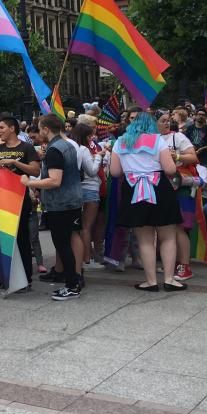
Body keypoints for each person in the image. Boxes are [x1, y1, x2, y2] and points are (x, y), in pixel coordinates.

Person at [110, 112, 184, 292]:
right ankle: (168, 279)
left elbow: (114, 172)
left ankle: (150, 281)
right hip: (159, 188)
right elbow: (170, 169)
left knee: (144, 240)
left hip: (133, 189)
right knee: (167, 237)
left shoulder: (120, 142)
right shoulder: (158, 140)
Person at [21, 115, 84, 301]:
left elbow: (55, 181)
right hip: (72, 200)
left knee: (63, 244)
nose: (39, 132)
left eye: (40, 129)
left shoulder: (55, 149)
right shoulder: (68, 145)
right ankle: (74, 280)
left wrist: (29, 182)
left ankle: (72, 285)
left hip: (61, 204)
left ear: (46, 129)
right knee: (68, 241)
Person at [0, 117, 41, 289]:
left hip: (20, 199)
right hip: (1, 199)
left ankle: (25, 278)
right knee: (3, 237)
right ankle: (6, 275)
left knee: (21, 238)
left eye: (2, 127)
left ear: (12, 128)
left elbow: (35, 170)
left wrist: (14, 162)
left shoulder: (26, 147)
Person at [157, 112, 199, 282]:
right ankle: (172, 262)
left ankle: (184, 266)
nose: (167, 124)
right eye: (163, 121)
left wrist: (178, 156)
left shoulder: (178, 137)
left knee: (179, 227)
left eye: (169, 121)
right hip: (162, 186)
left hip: (180, 186)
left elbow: (193, 157)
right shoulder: (153, 139)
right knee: (166, 226)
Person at [72, 122, 104, 271]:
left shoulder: (71, 147)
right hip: (90, 189)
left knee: (79, 227)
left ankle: (82, 257)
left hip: (77, 189)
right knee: (86, 227)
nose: (92, 138)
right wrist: (98, 157)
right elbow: (92, 171)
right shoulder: (83, 149)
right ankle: (86, 258)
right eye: (90, 135)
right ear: (85, 136)